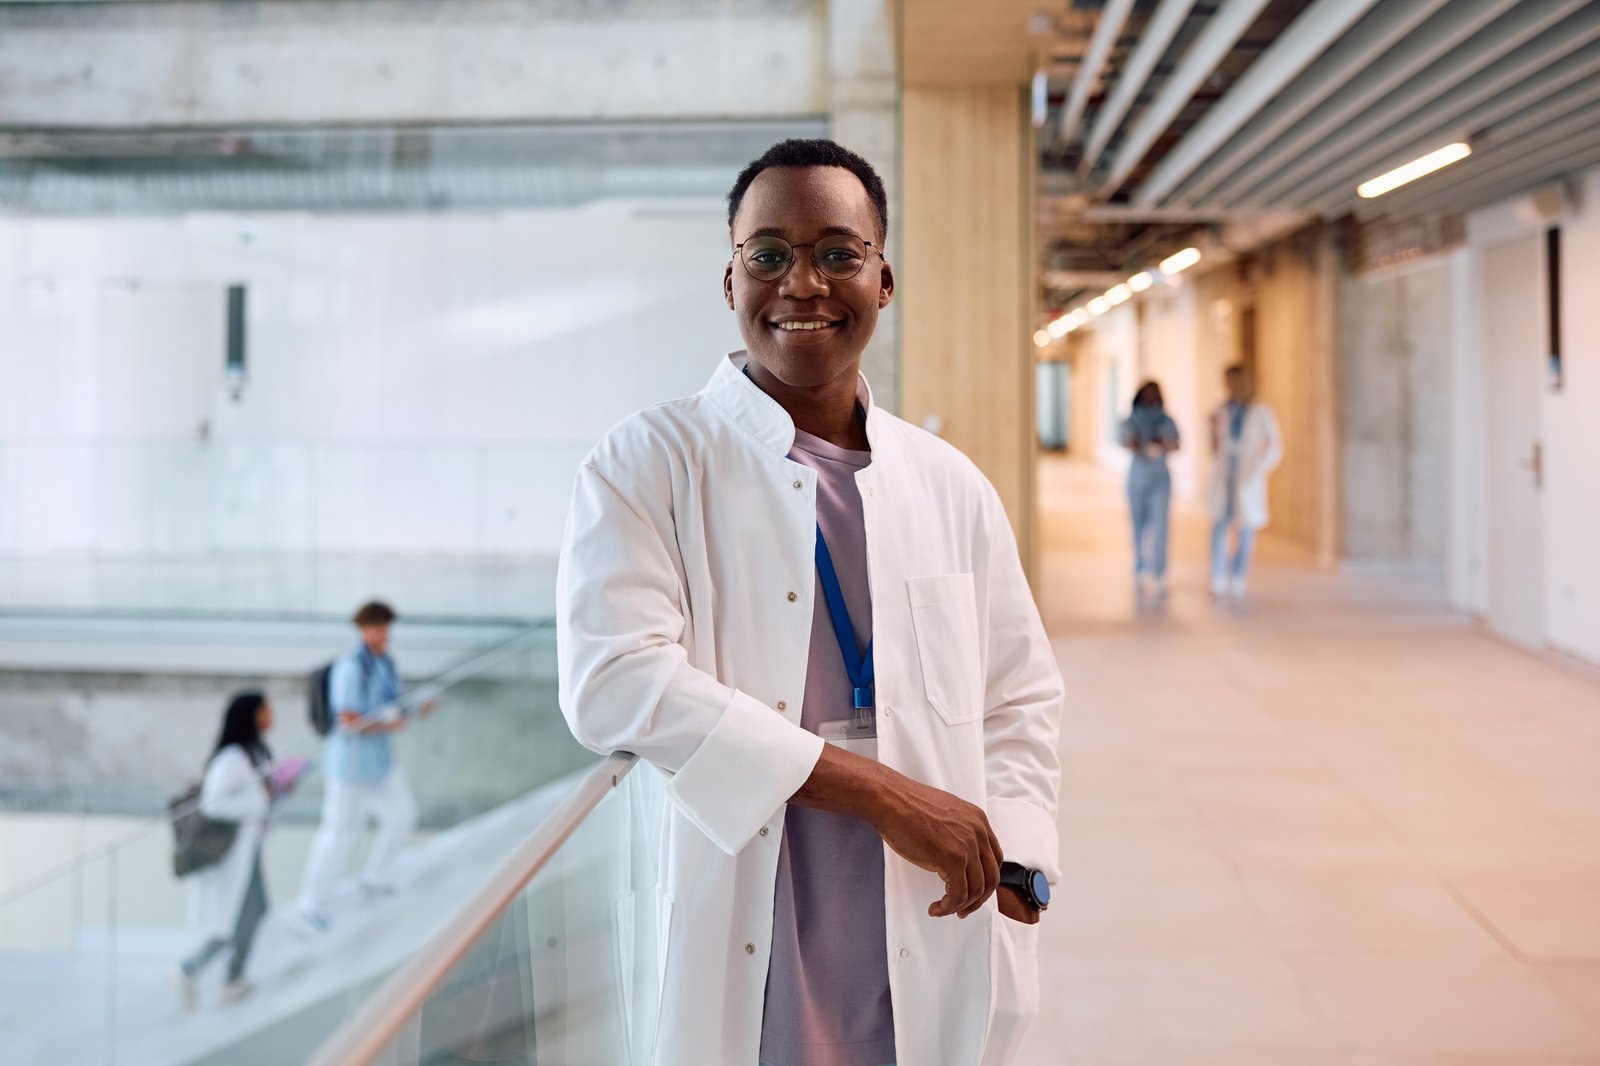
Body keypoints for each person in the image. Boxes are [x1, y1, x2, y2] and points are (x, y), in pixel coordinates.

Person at [557, 139, 1063, 1066]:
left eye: (838, 253)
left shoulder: (948, 484)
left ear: (884, 279)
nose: (803, 284)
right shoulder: (648, 463)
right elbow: (614, 681)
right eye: (769, 255)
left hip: (933, 908)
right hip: (761, 907)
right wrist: (883, 796)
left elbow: (1018, 694)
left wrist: (1021, 854)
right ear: (729, 277)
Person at [296, 601, 431, 931]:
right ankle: (311, 904)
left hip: (381, 764)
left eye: (387, 627)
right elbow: (348, 718)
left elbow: (390, 703)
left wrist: (414, 710)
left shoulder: (385, 663)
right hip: (350, 769)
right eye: (378, 627)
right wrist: (389, 725)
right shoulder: (350, 667)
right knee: (338, 834)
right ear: (363, 629)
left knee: (402, 816)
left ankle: (375, 877)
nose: (384, 634)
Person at [179, 692, 279, 1008]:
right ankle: (197, 969)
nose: (271, 715)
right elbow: (214, 804)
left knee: (253, 913)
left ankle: (228, 976)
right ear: (251, 715)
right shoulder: (231, 758)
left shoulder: (255, 753)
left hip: (251, 849)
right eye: (265, 710)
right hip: (235, 852)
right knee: (237, 919)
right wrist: (260, 800)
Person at [1207, 364, 1282, 598]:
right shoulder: (1221, 410)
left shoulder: (1261, 412)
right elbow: (1214, 448)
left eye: (1230, 381)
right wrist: (1211, 429)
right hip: (1225, 474)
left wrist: (1258, 468)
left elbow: (1274, 445)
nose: (1227, 386)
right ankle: (1218, 575)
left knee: (1245, 529)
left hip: (1247, 475)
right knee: (1219, 524)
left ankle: (1238, 576)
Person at [1118, 381, 1180, 596]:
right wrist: (1140, 443)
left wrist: (1163, 443)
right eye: (1148, 395)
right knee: (1138, 525)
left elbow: (1177, 444)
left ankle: (1160, 571)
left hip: (1160, 479)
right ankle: (1139, 567)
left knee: (1161, 526)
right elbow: (1125, 441)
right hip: (1138, 477)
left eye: (1155, 395)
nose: (1151, 399)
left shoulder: (1166, 420)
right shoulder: (1132, 419)